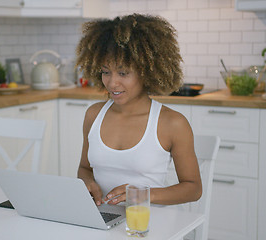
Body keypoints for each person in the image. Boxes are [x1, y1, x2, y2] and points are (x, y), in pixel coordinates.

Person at [75, 14, 202, 206]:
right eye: (105, 72)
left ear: (147, 71)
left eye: (123, 73)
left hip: (150, 223)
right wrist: (87, 183)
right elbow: (84, 168)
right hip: (103, 221)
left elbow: (193, 188)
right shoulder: (94, 115)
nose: (112, 82)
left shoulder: (172, 123)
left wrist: (142, 195)